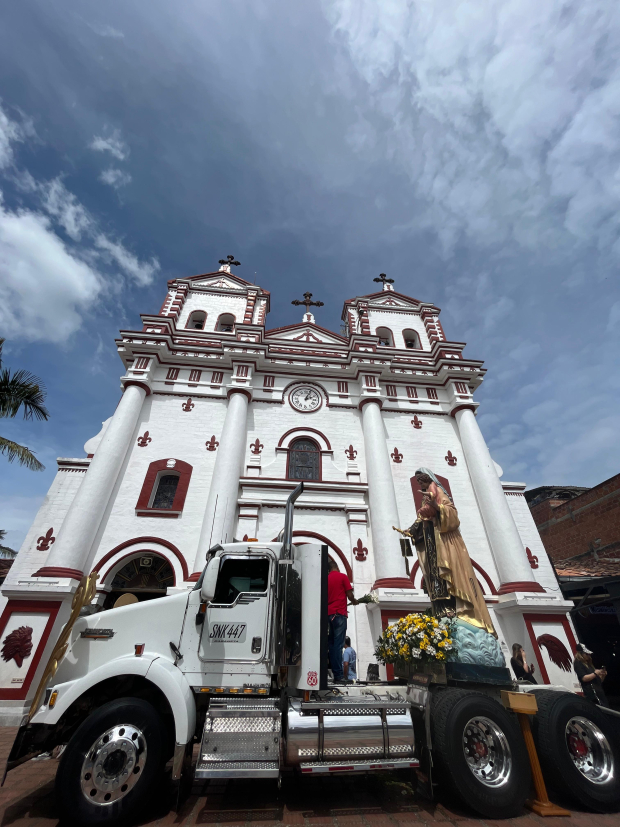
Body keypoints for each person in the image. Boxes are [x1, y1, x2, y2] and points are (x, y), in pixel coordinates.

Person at [396, 468, 496, 636]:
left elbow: (453, 515)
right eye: (418, 481)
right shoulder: (425, 498)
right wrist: (411, 530)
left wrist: (437, 506)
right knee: (434, 576)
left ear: (429, 479)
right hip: (430, 543)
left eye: (422, 480)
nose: (420, 484)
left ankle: (454, 608)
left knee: (447, 573)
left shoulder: (438, 492)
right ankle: (442, 610)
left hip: (443, 543)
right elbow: (422, 520)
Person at [327, 558, 358, 682]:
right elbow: (349, 595)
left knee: (332, 645)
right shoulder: (342, 576)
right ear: (337, 567)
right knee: (339, 645)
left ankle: (336, 673)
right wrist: (354, 601)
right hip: (339, 614)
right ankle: (339, 675)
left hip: (328, 615)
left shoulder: (326, 579)